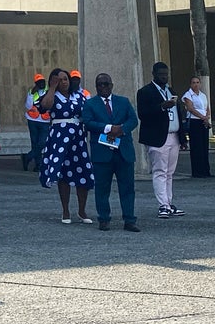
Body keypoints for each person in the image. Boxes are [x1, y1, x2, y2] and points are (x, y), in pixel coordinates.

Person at [81, 73, 140, 232]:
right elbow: (87, 122)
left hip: (123, 151)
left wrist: (121, 130)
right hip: (102, 153)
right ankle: (104, 219)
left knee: (127, 188)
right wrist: (108, 128)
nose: (103, 87)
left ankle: (129, 220)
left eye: (106, 84)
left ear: (111, 85)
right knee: (102, 188)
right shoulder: (90, 104)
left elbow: (133, 120)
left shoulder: (123, 101)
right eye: (99, 84)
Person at [37, 68, 95, 224]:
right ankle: (65, 210)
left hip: (78, 138)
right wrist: (52, 88)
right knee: (63, 173)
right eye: (59, 80)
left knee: (82, 170)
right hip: (60, 138)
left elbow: (88, 112)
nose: (63, 82)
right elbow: (45, 107)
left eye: (65, 79)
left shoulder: (79, 96)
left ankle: (82, 210)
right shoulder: (51, 96)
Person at [137, 62, 185, 219]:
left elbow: (178, 114)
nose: (164, 77)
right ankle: (162, 205)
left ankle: (169, 203)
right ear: (154, 74)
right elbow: (143, 114)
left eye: (166, 74)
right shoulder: (145, 92)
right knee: (160, 171)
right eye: (161, 74)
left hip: (174, 136)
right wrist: (162, 106)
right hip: (157, 137)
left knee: (169, 173)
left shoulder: (171, 91)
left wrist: (182, 138)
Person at [182, 76, 211, 178]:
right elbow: (191, 108)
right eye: (194, 82)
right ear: (190, 84)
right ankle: (198, 171)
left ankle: (206, 170)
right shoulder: (188, 95)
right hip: (195, 121)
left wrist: (206, 117)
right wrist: (202, 117)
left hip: (204, 121)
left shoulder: (203, 95)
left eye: (198, 82)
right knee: (196, 146)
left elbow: (207, 108)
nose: (196, 84)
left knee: (204, 146)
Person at [22, 73, 50, 173]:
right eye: (39, 82)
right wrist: (31, 94)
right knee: (35, 143)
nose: (41, 84)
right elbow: (28, 106)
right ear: (36, 83)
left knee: (42, 142)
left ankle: (27, 157)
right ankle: (38, 165)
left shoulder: (49, 91)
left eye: (42, 82)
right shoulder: (32, 92)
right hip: (32, 120)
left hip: (45, 121)